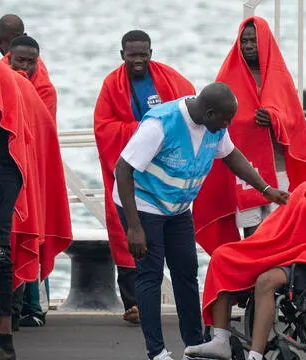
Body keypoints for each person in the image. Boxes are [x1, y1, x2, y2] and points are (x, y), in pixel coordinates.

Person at [115, 82, 288, 360]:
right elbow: (122, 169)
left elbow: (232, 156)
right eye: (225, 121)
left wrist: (266, 189)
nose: (227, 126)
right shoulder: (160, 124)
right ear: (209, 113)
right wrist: (134, 227)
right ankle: (156, 352)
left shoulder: (214, 125)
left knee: (186, 272)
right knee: (151, 274)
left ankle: (195, 346)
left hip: (178, 208)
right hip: (143, 205)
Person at [185, 132, 306, 360]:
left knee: (266, 281)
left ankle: (256, 355)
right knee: (222, 256)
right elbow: (280, 224)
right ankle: (220, 339)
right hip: (284, 251)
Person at [94, 30, 196, 324]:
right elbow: (103, 127)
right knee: (126, 229)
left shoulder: (170, 79)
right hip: (128, 169)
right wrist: (143, 131)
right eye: (132, 55)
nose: (138, 60)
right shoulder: (111, 85)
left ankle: (172, 302)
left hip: (165, 171)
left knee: (171, 235)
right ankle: (133, 302)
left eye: (143, 54)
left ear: (151, 53)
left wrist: (163, 136)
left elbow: (191, 109)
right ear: (122, 54)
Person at [193, 16, 306, 251]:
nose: (248, 45)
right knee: (251, 232)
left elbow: (294, 121)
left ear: (265, 43)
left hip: (278, 168)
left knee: (279, 230)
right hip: (244, 171)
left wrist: (274, 119)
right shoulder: (228, 77)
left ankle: (273, 283)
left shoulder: (279, 77)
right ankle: (251, 282)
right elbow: (218, 120)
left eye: (253, 40)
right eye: (244, 40)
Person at [7, 35, 70, 330]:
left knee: (33, 236)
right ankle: (17, 310)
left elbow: (44, 135)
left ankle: (31, 308)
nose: (27, 67)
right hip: (11, 174)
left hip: (36, 176)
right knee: (16, 240)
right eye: (20, 61)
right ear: (7, 55)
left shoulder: (42, 90)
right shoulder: (8, 84)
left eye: (31, 62)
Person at [0, 60, 32, 360]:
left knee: (0, 252)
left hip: (5, 169)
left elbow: (25, 139)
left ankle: (5, 337)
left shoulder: (10, 82)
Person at [3, 35, 57, 122]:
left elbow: (45, 128)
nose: (25, 66)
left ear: (37, 62)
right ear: (9, 59)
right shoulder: (1, 77)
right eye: (20, 60)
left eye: (31, 62)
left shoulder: (46, 91)